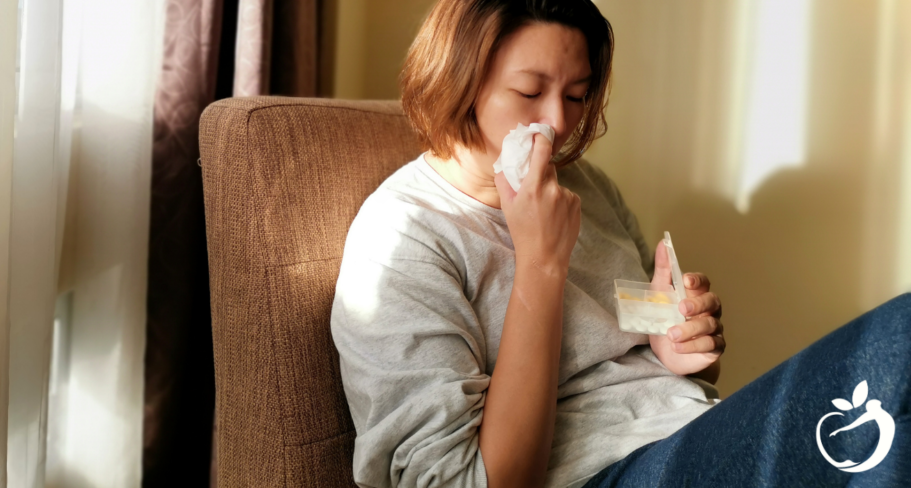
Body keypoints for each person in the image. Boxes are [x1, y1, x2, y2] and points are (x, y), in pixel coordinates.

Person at [328, 1, 911, 487]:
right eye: (529, 91)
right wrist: (540, 264)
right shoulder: (400, 242)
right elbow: (468, 480)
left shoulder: (586, 186)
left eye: (577, 95)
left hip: (688, 428)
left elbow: (628, 343)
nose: (556, 123)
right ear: (460, 82)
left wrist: (673, 344)